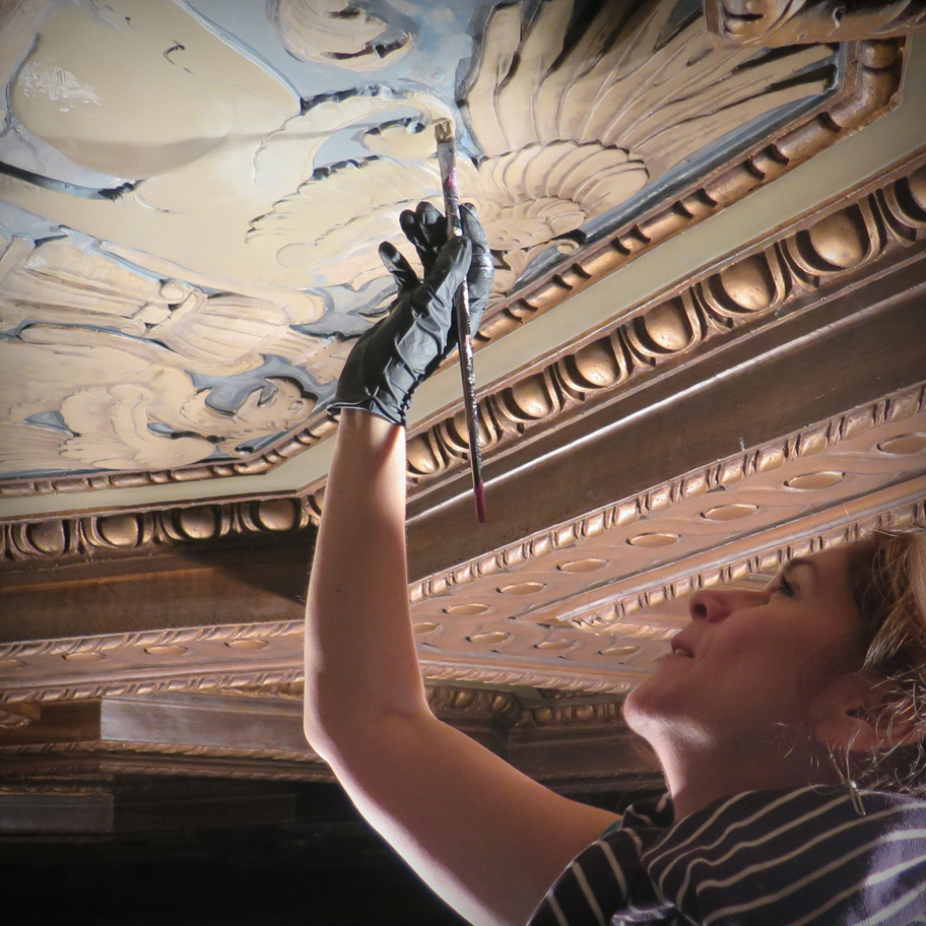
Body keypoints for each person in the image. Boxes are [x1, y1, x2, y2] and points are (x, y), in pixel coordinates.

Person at [303, 202, 926, 926]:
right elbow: (375, 727)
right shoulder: (831, 878)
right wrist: (377, 401)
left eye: (787, 590)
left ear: (874, 713)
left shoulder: (665, 882)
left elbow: (370, 726)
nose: (710, 598)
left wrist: (374, 404)